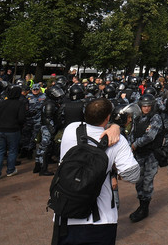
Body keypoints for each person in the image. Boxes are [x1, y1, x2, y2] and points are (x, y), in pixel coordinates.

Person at [54, 98, 137, 244]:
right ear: (108, 117)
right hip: (101, 218)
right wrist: (116, 127)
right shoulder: (118, 140)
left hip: (65, 213)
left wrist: (112, 126)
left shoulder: (70, 129)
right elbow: (133, 176)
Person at [128, 94, 162, 223]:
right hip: (139, 154)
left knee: (147, 182)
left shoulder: (155, 118)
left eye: (148, 106)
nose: (146, 108)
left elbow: (150, 136)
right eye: (144, 106)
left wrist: (134, 145)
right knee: (139, 180)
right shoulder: (137, 117)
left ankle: (144, 208)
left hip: (151, 155)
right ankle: (141, 204)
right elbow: (131, 132)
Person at [0, 83, 27, 180]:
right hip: (13, 130)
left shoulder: (1, 103)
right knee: (12, 150)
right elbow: (21, 118)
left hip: (0, 129)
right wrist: (19, 126)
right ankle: (10, 170)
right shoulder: (20, 104)